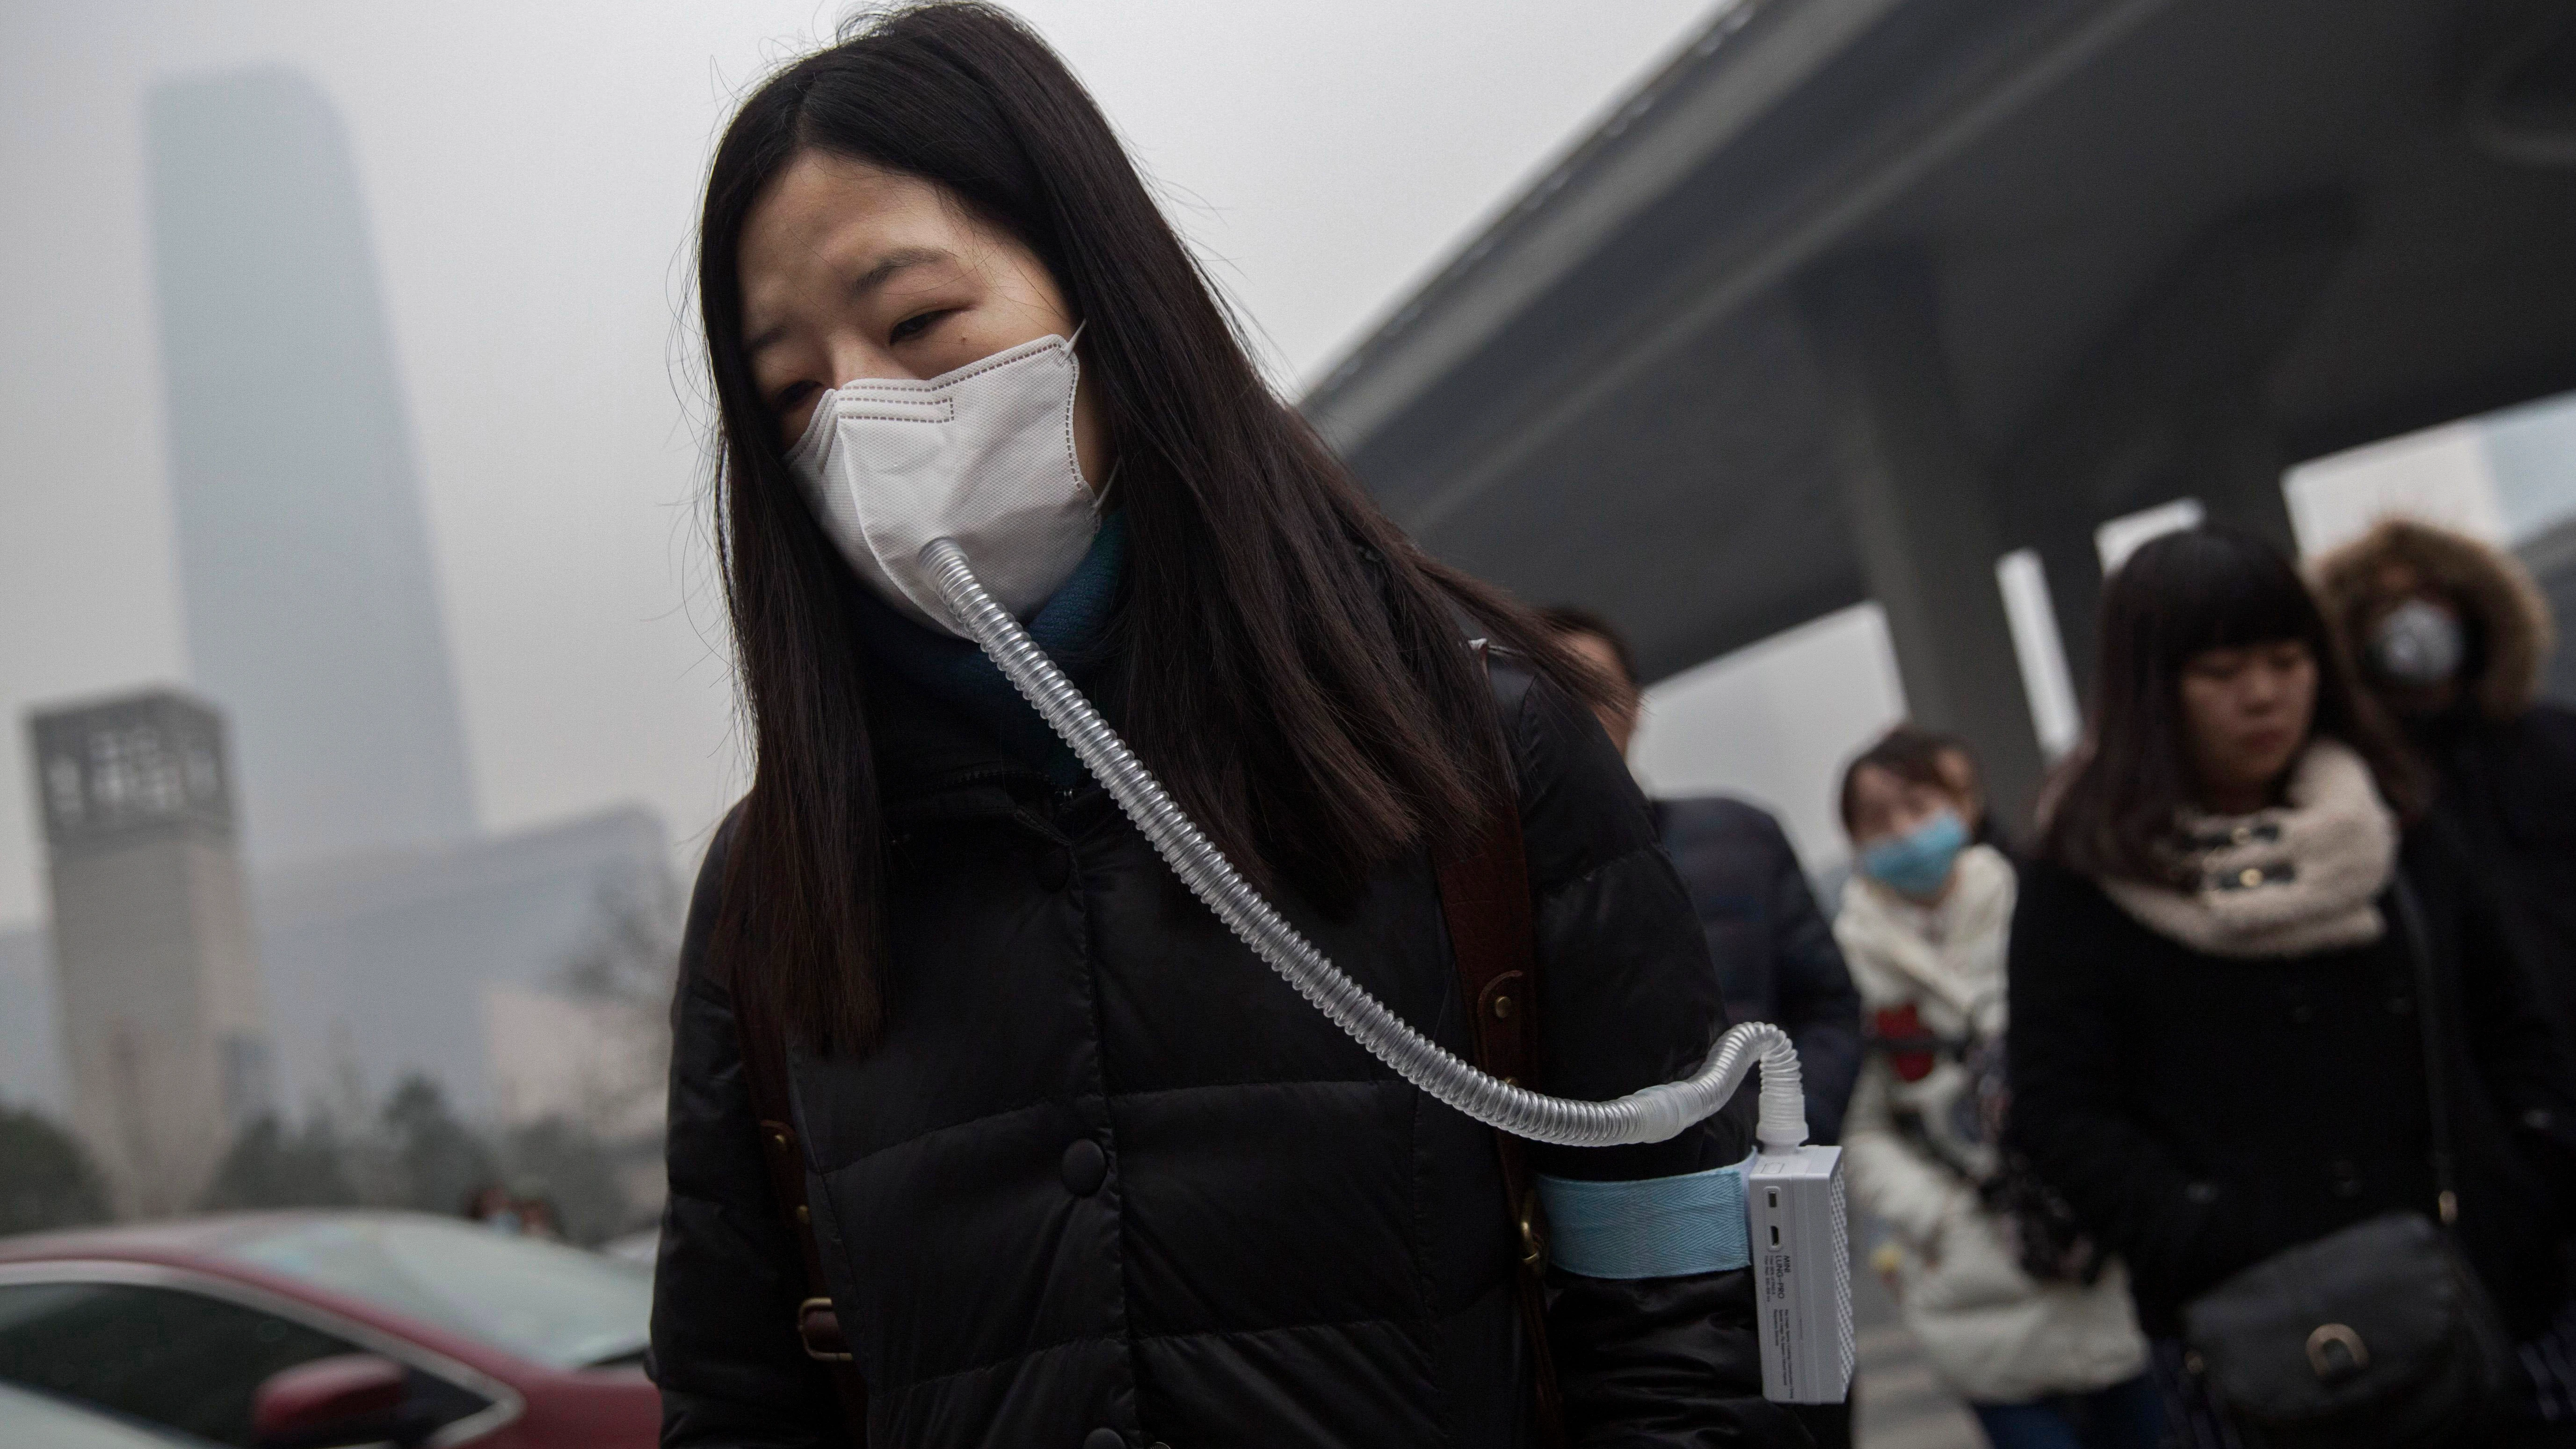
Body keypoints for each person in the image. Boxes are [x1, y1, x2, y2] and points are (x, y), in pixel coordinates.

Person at [652, 8, 1807, 1447]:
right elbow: (733, 1401)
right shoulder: (776, 899)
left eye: (918, 326)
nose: (863, 427)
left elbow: (1690, 1324)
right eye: (794, 392)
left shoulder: (1467, 761)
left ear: (1103, 301)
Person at [2006, 526, 2576, 1445]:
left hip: (2484, 1304)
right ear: (2151, 690)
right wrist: (2212, 1238)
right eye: (2221, 670)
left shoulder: (2392, 819)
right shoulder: (2086, 872)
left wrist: (2524, 1184)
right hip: (2263, 1343)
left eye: (2285, 657)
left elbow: (2514, 1027)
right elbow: (2060, 1109)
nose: (2263, 695)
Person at [1831, 727, 2155, 1449]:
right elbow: (1859, 1126)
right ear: (1851, 842)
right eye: (1875, 820)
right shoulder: (1845, 964)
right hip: (1971, 1279)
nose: (1902, 832)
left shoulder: (2042, 903)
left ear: (1962, 803)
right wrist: (1937, 1215)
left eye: (1916, 805)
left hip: (2098, 1246)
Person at [1543, 606, 1864, 1145]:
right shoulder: (1494, 886)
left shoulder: (1745, 837)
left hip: (1764, 1174)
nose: (1582, 716)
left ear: (1637, 703)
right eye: (1554, 695)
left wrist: (1790, 1129)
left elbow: (1827, 1004)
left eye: (1597, 689)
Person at [2313, 517, 2576, 1055]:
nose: (2412, 620)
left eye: (2429, 595)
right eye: (2382, 605)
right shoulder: (2352, 786)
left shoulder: (2553, 743)